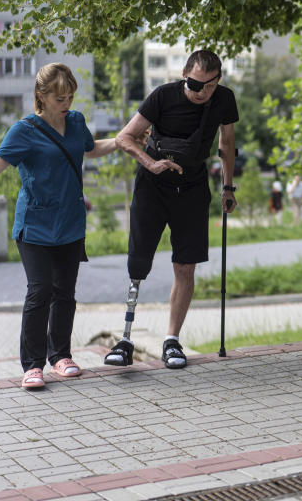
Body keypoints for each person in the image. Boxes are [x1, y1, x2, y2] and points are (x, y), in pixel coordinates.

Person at [0, 63, 118, 389]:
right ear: (41, 96)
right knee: (40, 290)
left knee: (65, 293)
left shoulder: (75, 122)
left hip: (70, 223)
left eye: (71, 96)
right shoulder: (24, 130)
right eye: (60, 97)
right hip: (35, 226)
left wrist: (121, 140)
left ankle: (60, 356)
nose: (67, 103)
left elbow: (89, 150)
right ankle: (32, 365)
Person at [104, 49, 238, 369]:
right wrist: (151, 163)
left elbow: (227, 144)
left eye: (208, 85)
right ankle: (125, 339)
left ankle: (172, 340)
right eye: (194, 84)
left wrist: (229, 186)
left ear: (218, 80)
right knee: (138, 262)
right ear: (184, 74)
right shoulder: (162, 96)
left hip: (192, 188)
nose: (200, 91)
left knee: (185, 266)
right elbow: (124, 138)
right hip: (153, 186)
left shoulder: (224, 100)